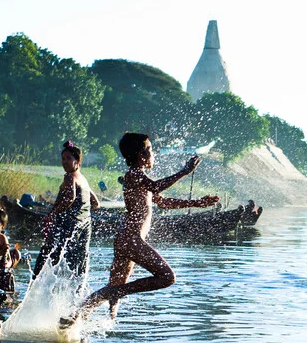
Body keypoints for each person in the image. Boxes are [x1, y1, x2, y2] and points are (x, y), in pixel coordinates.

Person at [62, 133, 219, 325]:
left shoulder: (140, 179)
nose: (154, 154)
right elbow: (156, 187)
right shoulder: (134, 174)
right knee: (166, 277)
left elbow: (164, 202)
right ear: (141, 155)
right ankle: (93, 306)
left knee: (113, 301)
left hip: (127, 240)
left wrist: (197, 203)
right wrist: (184, 171)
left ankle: (75, 319)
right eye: (150, 150)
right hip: (130, 240)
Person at [33, 142, 100, 281]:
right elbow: (95, 203)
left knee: (48, 256)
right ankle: (76, 296)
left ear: (77, 161)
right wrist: (81, 210)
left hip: (68, 225)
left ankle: (35, 282)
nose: (64, 162)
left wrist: (54, 213)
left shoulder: (70, 177)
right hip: (85, 226)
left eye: (68, 158)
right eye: (63, 159)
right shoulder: (83, 179)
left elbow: (70, 198)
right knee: (77, 263)